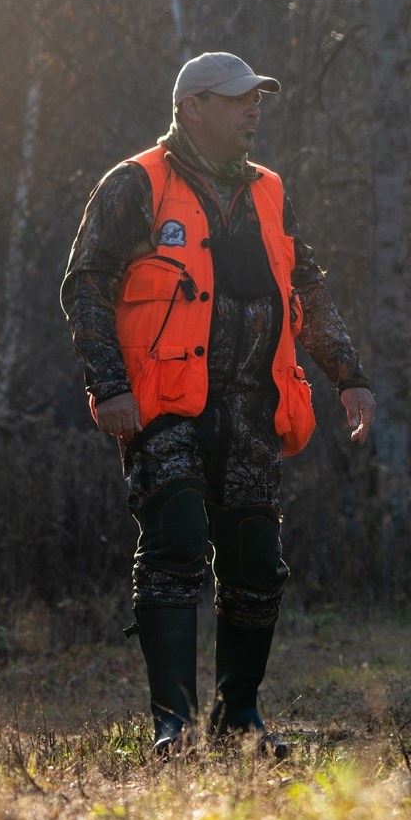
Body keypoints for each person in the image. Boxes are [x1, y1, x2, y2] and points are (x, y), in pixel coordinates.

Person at [62, 52, 376, 754]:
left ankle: (240, 721)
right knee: (173, 548)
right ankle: (174, 724)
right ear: (191, 107)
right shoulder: (133, 185)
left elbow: (311, 289)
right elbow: (85, 286)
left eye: (257, 99)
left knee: (257, 563)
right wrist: (106, 384)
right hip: (162, 407)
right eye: (237, 100)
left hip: (251, 410)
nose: (252, 111)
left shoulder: (269, 191)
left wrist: (349, 374)